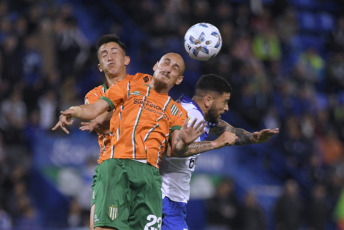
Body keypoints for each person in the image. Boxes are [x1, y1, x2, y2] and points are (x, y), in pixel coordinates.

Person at [52, 52, 206, 230]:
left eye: (175, 68)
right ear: (156, 65)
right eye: (166, 63)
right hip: (118, 166)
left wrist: (185, 142)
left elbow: (175, 149)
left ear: (179, 80)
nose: (168, 69)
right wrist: (75, 111)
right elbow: (95, 108)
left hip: (149, 176)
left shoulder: (177, 111)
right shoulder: (129, 86)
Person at [52, 33, 153, 230]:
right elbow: (96, 115)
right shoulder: (95, 95)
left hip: (144, 169)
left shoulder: (144, 82)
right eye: (103, 54)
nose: (109, 56)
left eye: (114, 52)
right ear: (100, 66)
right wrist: (75, 111)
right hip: (111, 171)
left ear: (126, 60)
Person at [160, 74, 279, 230]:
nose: (227, 108)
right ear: (208, 100)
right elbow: (174, 150)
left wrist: (254, 138)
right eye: (224, 102)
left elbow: (230, 132)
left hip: (172, 200)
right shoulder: (190, 116)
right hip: (164, 197)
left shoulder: (198, 114)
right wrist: (215, 143)